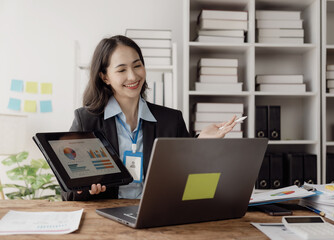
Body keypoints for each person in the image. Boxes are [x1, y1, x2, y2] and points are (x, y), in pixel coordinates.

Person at [61, 35, 237, 201]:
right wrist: (84, 188)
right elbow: (67, 192)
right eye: (122, 69)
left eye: (137, 66)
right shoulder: (86, 120)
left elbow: (188, 173)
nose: (133, 76)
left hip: (156, 213)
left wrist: (201, 141)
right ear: (105, 77)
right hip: (107, 217)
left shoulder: (171, 119)